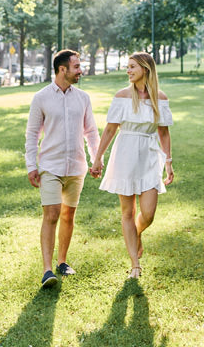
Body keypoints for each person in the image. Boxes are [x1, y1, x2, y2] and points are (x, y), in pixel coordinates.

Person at [91, 52, 174, 281]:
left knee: (148, 214)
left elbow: (164, 132)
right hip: (125, 153)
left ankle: (136, 234)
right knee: (127, 212)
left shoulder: (160, 98)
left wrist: (168, 163)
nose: (128, 71)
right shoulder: (122, 96)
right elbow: (109, 129)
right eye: (127, 67)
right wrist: (98, 158)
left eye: (132, 67)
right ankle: (135, 265)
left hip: (149, 156)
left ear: (145, 69)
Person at [25, 48, 100, 289]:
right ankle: (47, 270)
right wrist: (31, 165)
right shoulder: (41, 98)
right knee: (52, 214)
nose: (81, 71)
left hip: (76, 166)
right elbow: (32, 134)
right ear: (62, 69)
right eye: (77, 67)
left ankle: (62, 262)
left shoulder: (83, 98)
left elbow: (91, 132)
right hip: (50, 166)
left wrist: (96, 159)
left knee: (69, 215)